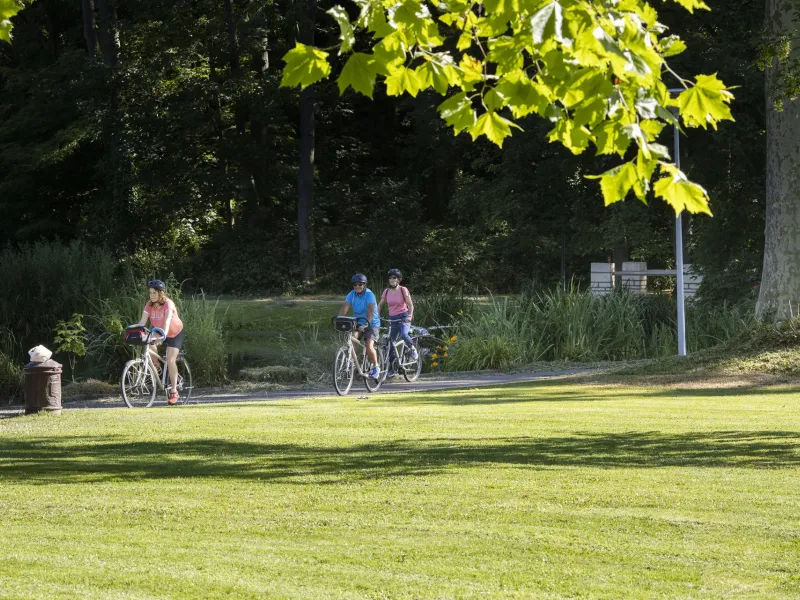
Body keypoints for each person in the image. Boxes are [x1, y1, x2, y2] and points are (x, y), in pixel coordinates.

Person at [135, 280, 185, 405]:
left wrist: (164, 333)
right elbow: (142, 321)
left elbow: (167, 320)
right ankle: (156, 366)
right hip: (158, 331)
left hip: (174, 332)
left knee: (170, 359)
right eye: (150, 293)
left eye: (154, 293)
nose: (151, 296)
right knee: (148, 340)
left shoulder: (168, 304)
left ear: (161, 293)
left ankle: (174, 391)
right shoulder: (149, 305)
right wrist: (134, 330)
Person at [338, 273, 381, 379]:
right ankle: (351, 363)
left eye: (360, 284)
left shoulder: (369, 294)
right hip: (358, 321)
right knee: (352, 340)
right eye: (355, 285)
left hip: (372, 323)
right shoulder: (351, 294)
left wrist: (367, 324)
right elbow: (345, 307)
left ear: (364, 285)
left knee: (369, 345)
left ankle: (376, 367)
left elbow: (371, 310)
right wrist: (339, 319)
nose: (357, 287)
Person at [378, 268, 417, 377]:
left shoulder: (403, 290)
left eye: (394, 277)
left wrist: (409, 316)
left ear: (398, 279)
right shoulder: (386, 292)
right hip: (392, 318)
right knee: (390, 344)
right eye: (390, 278)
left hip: (404, 317)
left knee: (404, 335)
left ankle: (413, 349)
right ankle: (392, 368)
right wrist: (376, 316)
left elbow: (410, 304)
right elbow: (380, 304)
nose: (392, 279)